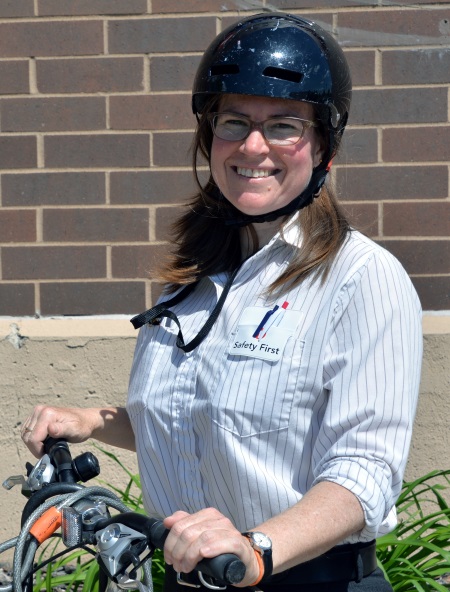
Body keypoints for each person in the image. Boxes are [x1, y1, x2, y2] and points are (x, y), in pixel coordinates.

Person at [21, 12, 423, 592]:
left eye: (284, 125)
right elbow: (199, 418)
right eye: (234, 121)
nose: (253, 146)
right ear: (210, 137)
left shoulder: (362, 280)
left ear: (324, 145)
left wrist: (256, 551)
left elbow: (366, 473)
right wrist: (94, 422)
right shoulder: (193, 277)